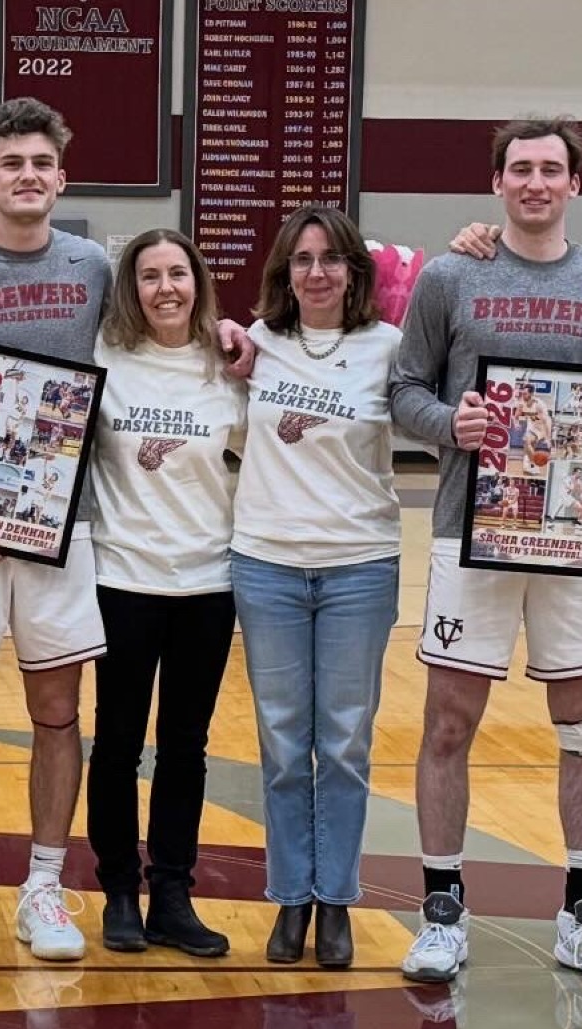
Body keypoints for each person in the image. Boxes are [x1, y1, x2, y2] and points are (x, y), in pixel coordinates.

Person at [0, 99, 256, 963]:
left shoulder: (97, 267)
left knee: (59, 716)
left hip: (67, 530)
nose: (26, 175)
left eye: (41, 163)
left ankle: (46, 889)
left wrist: (233, 334)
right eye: (10, 162)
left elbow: (169, 324)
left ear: (61, 176)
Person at [388, 115, 582, 988]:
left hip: (578, 536)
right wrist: (446, 424)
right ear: (497, 181)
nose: (536, 183)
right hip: (472, 532)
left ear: (576, 185)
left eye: (551, 170)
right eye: (520, 169)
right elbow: (404, 391)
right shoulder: (452, 275)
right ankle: (444, 910)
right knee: (449, 724)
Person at [228, 207, 401, 968]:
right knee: (282, 741)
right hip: (265, 562)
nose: (317, 272)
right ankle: (289, 899)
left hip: (360, 564)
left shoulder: (389, 348)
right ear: (284, 272)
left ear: (355, 271)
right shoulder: (253, 344)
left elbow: (435, 406)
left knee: (343, 742)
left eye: (331, 258)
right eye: (302, 259)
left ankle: (337, 900)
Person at [85, 229, 246, 957]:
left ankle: (173, 893)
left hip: (208, 583)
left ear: (198, 280)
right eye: (149, 276)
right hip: (124, 578)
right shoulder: (105, 358)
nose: (165, 289)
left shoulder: (232, 366)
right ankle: (119, 888)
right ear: (132, 288)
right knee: (117, 744)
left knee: (186, 746)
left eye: (177, 273)